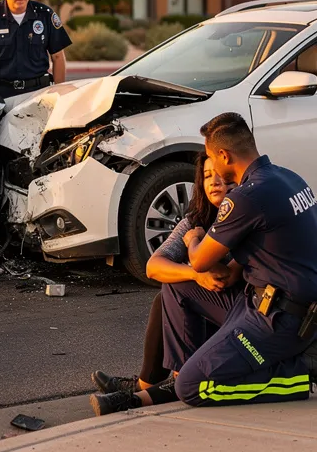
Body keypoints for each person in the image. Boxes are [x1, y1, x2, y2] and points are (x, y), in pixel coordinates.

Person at [92, 112, 317, 415]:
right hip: (276, 305)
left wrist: (192, 240)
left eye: (214, 159)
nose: (213, 171)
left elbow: (201, 261)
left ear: (224, 156)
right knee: (175, 288)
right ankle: (174, 378)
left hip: (280, 321)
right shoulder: (288, 178)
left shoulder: (246, 197)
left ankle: (298, 374)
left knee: (191, 388)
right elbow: (225, 274)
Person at [90, 154, 242, 396]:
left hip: (243, 314)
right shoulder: (195, 221)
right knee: (168, 292)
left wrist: (196, 252)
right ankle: (148, 384)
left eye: (221, 176)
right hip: (212, 313)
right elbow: (153, 266)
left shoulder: (242, 216)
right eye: (206, 176)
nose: (214, 182)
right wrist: (195, 274)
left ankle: (179, 380)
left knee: (173, 290)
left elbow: (225, 276)